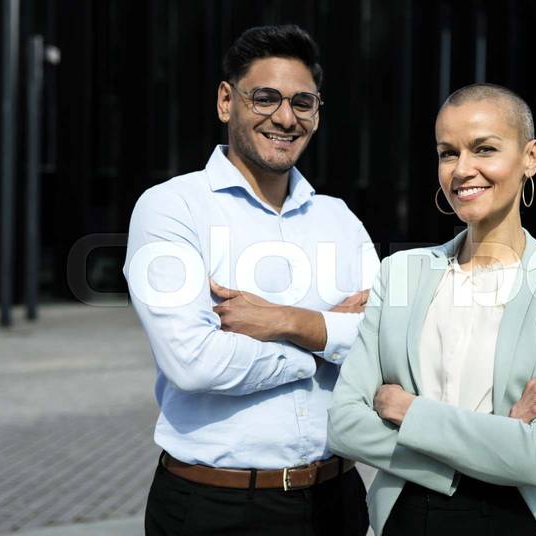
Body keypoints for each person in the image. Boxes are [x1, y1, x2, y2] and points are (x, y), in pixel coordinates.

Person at [123, 25, 378, 535]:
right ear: (226, 101)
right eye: (265, 98)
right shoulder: (173, 208)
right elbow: (194, 363)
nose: (285, 117)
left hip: (338, 501)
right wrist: (324, 344)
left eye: (302, 103)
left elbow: (391, 346)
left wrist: (287, 322)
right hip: (217, 507)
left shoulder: (340, 219)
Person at [327, 83, 536, 536]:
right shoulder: (399, 274)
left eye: (484, 149)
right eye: (447, 152)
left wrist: (409, 410)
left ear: (530, 158)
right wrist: (498, 435)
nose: (462, 170)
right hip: (409, 515)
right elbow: (344, 426)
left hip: (523, 518)